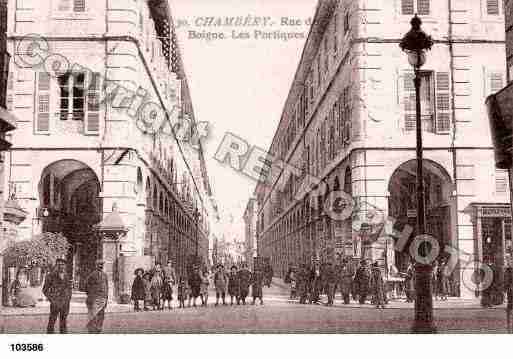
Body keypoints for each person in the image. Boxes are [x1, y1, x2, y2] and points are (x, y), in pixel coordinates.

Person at [42, 258, 72, 333]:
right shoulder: (50, 276)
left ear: (65, 266)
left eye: (63, 265)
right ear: (56, 265)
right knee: (52, 321)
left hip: (65, 303)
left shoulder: (66, 276)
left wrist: (68, 298)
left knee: (63, 322)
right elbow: (45, 290)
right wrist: (52, 299)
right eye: (59, 265)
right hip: (55, 302)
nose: (61, 267)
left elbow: (69, 288)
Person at [85, 260, 109, 334]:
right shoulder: (92, 275)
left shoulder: (105, 275)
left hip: (103, 298)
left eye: (102, 265)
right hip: (95, 298)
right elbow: (86, 286)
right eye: (99, 264)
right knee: (93, 316)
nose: (101, 266)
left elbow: (106, 287)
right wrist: (91, 295)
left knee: (101, 316)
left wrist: (106, 298)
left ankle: (98, 330)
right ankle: (92, 331)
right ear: (96, 265)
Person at [504, 257, 513, 333]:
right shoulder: (508, 270)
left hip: (510, 290)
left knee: (509, 306)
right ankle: (508, 323)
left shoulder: (508, 270)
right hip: (510, 290)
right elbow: (506, 281)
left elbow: (506, 281)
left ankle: (509, 323)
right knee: (510, 306)